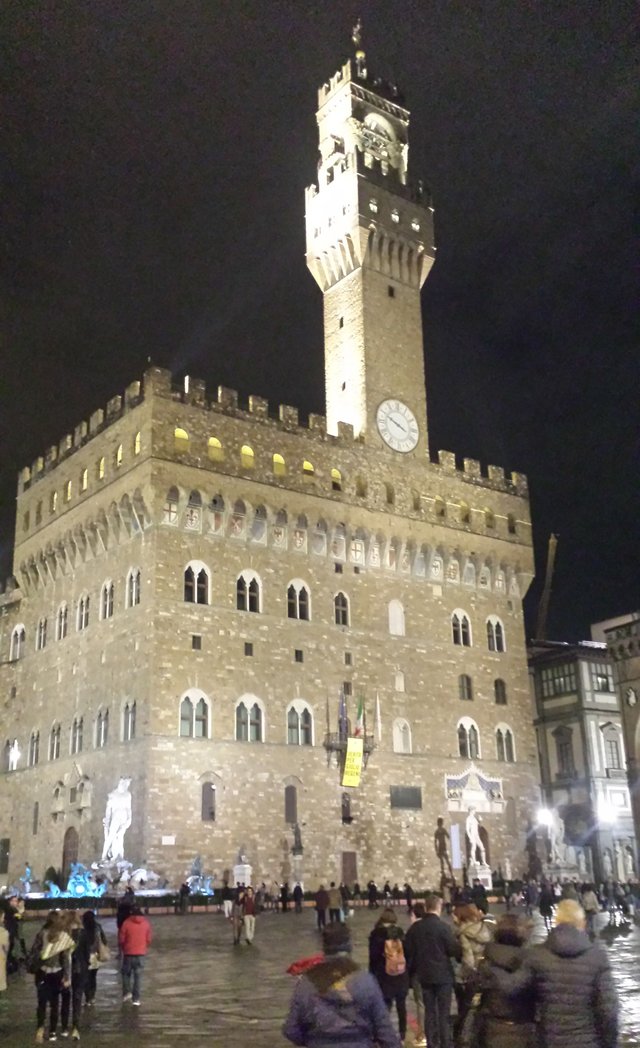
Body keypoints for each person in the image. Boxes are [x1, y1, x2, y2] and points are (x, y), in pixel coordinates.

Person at [495, 899, 618, 1048]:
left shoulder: (537, 955)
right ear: (582, 924)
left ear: (556, 922)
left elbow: (513, 988)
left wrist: (493, 964)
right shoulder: (598, 957)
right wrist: (609, 1043)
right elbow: (608, 1009)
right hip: (587, 1041)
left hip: (550, 1040)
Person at [283, 923, 401, 1048]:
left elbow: (291, 1029)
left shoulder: (307, 983)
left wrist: (312, 1041)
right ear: (349, 945)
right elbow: (384, 1029)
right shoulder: (365, 980)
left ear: (324, 946)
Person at [404, 892, 462, 1048]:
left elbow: (407, 949)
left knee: (429, 1012)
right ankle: (445, 1043)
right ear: (439, 907)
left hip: (424, 975)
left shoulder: (416, 928)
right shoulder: (444, 927)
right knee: (443, 1013)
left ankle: (431, 1043)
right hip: (443, 976)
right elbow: (453, 950)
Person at [476, 913, 536, 1048]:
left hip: (493, 1027)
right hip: (524, 1028)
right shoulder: (531, 963)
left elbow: (476, 995)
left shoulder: (486, 963)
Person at [31, 910, 75, 1044]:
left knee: (41, 1002)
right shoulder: (63, 937)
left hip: (42, 972)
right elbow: (65, 959)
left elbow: (34, 952)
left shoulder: (42, 934)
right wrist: (67, 976)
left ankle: (40, 1028)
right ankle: (52, 1032)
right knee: (55, 1004)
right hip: (57, 973)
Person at [368, 907, 409, 1043]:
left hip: (384, 975)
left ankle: (383, 1035)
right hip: (401, 974)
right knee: (401, 1006)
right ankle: (402, 1035)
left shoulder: (376, 934)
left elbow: (373, 957)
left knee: (385, 1006)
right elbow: (408, 954)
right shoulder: (400, 933)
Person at [452, 902, 492, 1040]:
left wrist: (465, 976)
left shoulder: (463, 933)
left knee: (464, 1009)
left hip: (468, 975)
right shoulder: (483, 929)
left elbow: (467, 957)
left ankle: (461, 1037)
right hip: (484, 971)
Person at [118, 904, 152, 1005]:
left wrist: (124, 948)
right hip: (141, 954)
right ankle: (136, 999)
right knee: (138, 977)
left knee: (125, 974)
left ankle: (127, 992)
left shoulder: (126, 923)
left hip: (128, 953)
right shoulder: (146, 924)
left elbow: (121, 939)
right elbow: (149, 939)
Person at [407, 903, 427, 1048]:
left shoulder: (412, 930)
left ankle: (422, 1034)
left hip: (419, 972)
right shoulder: (433, 926)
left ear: (414, 915)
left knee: (421, 1003)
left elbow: (408, 953)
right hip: (435, 971)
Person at [82, 909, 108, 1006]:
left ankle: (87, 998)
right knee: (93, 977)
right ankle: (92, 997)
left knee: (86, 977)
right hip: (96, 956)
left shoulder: (82, 928)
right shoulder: (98, 927)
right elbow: (104, 940)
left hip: (85, 956)